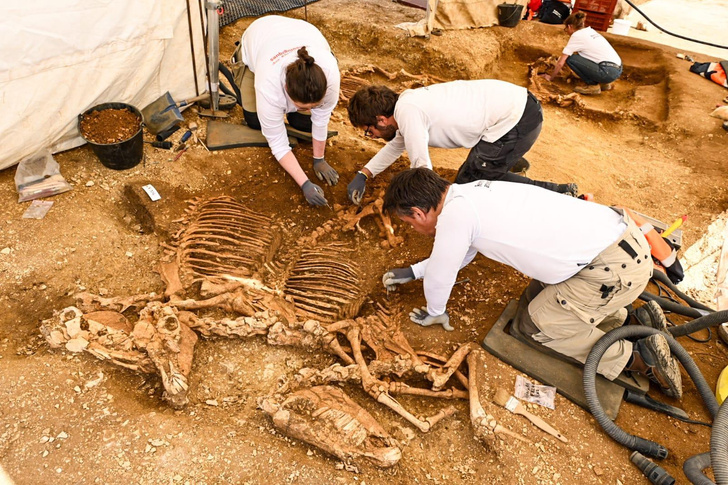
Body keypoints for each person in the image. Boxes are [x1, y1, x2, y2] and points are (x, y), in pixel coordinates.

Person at [381, 167, 682, 399]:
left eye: (409, 223)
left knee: (535, 327)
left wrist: (436, 310)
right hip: (623, 247)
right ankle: (632, 318)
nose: (413, 228)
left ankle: (640, 358)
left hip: (610, 271)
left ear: (419, 213)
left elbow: (443, 272)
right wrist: (414, 271)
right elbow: (461, 253)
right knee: (535, 298)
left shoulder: (455, 216)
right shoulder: (469, 194)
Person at [345, 81, 578, 205]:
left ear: (381, 119)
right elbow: (396, 146)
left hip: (516, 119)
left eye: (369, 131)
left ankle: (558, 193)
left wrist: (427, 206)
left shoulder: (409, 112)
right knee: (472, 175)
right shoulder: (406, 105)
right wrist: (364, 173)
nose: (371, 136)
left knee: (471, 182)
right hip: (515, 108)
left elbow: (421, 168)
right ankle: (504, 163)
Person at [240, 15, 340, 206]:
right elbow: (277, 143)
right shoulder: (268, 85)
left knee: (303, 123)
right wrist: (304, 183)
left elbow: (321, 119)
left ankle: (297, 113)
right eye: (303, 106)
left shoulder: (331, 77)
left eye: (314, 105)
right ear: (286, 89)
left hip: (303, 31)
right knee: (255, 121)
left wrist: (319, 159)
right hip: (260, 35)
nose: (310, 110)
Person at [541, 11, 623, 95]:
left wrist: (551, 78)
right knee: (581, 56)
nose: (566, 32)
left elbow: (560, 63)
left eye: (566, 29)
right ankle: (604, 83)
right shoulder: (590, 31)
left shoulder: (576, 36)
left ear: (570, 27)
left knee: (570, 59)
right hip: (617, 69)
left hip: (606, 71)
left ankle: (593, 85)